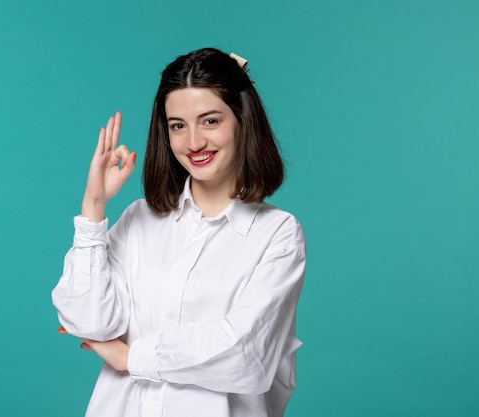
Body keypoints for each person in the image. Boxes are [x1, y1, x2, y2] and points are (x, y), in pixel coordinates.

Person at [52, 47, 306, 417]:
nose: (193, 143)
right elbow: (88, 321)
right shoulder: (139, 219)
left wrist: (131, 357)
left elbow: (244, 354)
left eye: (210, 121)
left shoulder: (277, 234)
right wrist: (93, 207)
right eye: (177, 126)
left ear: (242, 120)